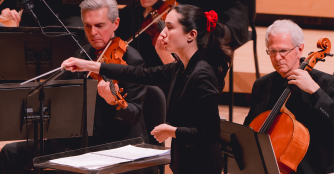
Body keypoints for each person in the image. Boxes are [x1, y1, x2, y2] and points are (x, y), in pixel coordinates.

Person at [62, 4, 233, 174]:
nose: (163, 32)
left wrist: (171, 131)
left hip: (202, 167)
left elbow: (210, 132)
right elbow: (138, 73)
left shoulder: (202, 74)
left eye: (170, 27)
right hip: (185, 162)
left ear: (191, 35)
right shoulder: (180, 68)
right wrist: (89, 65)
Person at [0, 0, 148, 173]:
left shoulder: (131, 61)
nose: (93, 33)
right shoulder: (82, 53)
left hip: (115, 143)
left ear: (116, 23)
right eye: (87, 26)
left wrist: (113, 101)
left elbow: (133, 115)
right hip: (79, 140)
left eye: (99, 25)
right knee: (10, 152)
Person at [243, 19, 334, 174]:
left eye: (283, 51)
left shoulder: (325, 83)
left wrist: (315, 91)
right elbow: (250, 129)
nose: (277, 58)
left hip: (315, 168)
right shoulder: (262, 84)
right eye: (272, 51)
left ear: (300, 49)